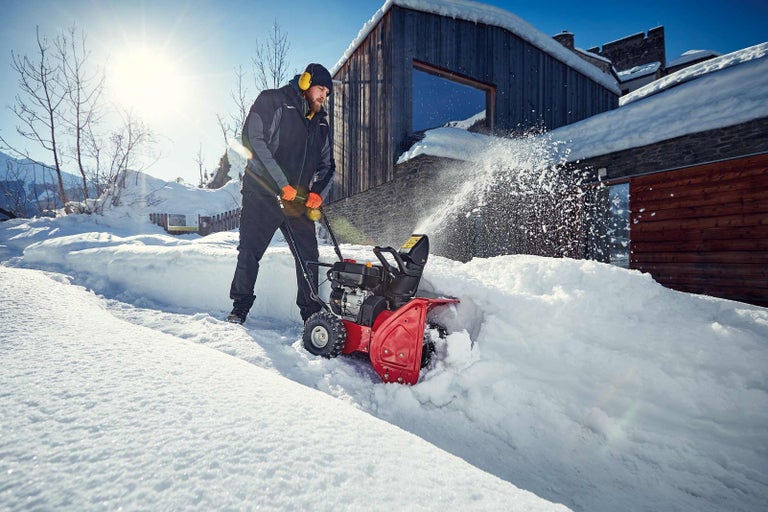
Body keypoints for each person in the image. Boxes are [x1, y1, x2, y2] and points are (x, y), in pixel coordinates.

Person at [227, 63, 335, 325]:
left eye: (327, 94)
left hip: (297, 201)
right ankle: (239, 308)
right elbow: (253, 139)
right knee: (250, 250)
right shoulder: (273, 100)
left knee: (309, 256)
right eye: (321, 89)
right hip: (262, 191)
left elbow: (327, 165)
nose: (324, 96)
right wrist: (281, 183)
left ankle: (311, 313)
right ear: (307, 82)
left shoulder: (321, 123)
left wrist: (317, 193)